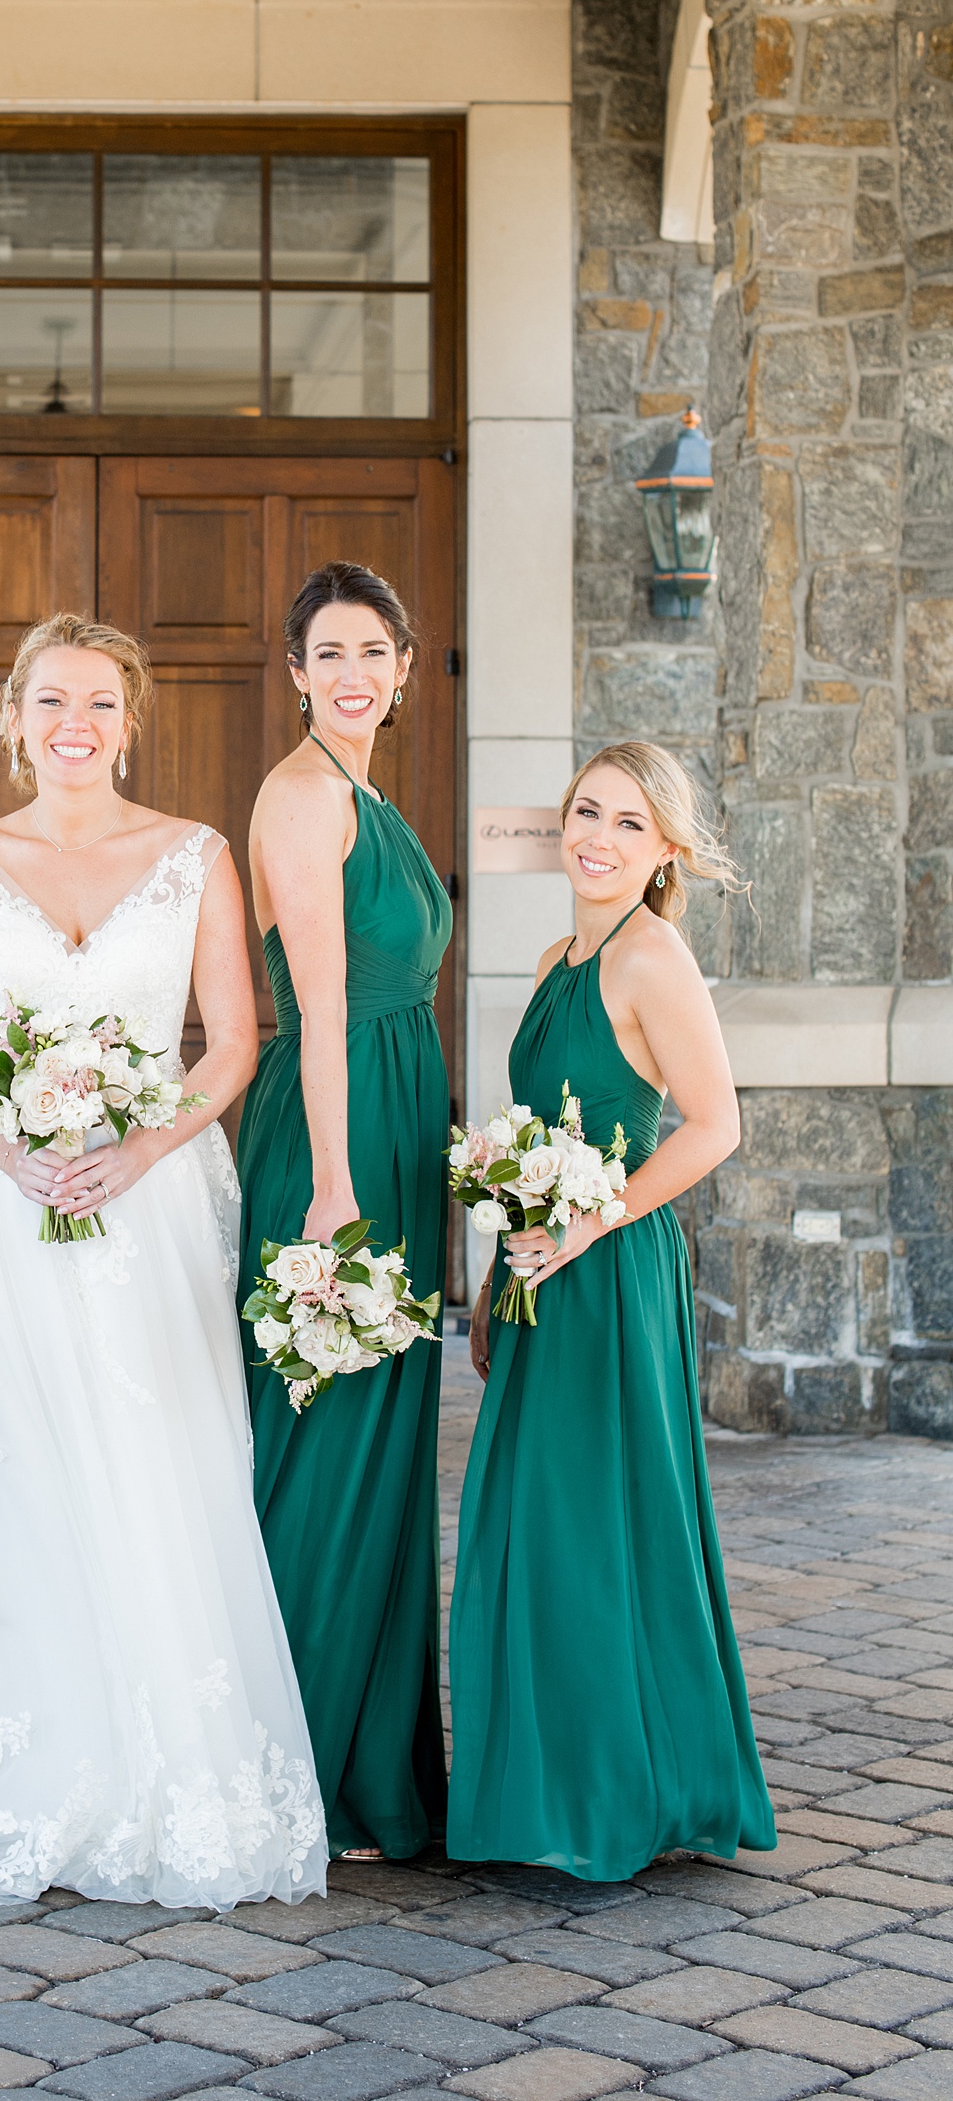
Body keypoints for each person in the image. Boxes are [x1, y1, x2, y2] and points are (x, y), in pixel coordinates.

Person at [0, 611, 325, 1908]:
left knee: (158, 1461)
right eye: (53, 700)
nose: (77, 724)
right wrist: (13, 1155)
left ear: (131, 721)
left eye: (102, 704)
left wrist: (146, 1145)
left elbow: (231, 1040)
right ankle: (37, 1769)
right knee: (14, 1466)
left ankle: (175, 1769)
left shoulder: (193, 855)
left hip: (153, 1198)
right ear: (13, 718)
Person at [448, 741, 776, 1879]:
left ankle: (614, 1792)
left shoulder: (650, 957)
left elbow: (711, 1124)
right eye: (587, 811)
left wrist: (592, 1221)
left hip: (612, 1273)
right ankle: (536, 1786)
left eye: (629, 824)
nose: (597, 836)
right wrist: (505, 1249)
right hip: (540, 1267)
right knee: (530, 1523)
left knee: (598, 1525)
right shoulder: (555, 955)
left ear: (665, 852)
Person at [235, 562, 452, 1862]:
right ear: (298, 672)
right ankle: (287, 1766)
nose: (355, 670)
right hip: (339, 1134)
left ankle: (368, 1762)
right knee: (322, 1438)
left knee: (379, 1444)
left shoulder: (370, 794)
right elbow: (317, 1002)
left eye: (376, 648)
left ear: (405, 669)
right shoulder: (303, 794)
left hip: (396, 1117)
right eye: (330, 651)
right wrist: (330, 1184)